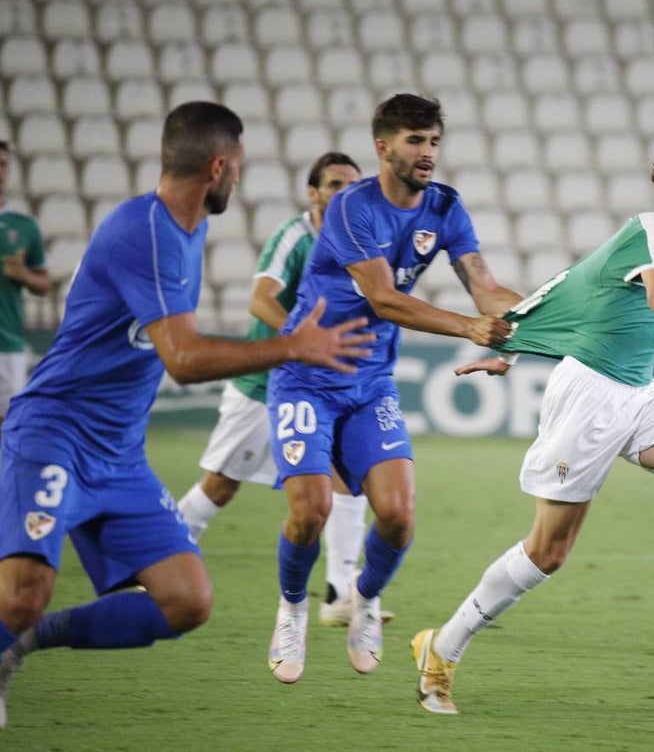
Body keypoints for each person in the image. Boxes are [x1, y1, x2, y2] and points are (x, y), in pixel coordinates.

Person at [0, 102, 374, 730]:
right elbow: (183, 358)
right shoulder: (145, 231)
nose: (240, 178)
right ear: (218, 167)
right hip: (55, 433)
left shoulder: (187, 228)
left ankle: (20, 647)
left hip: (118, 452)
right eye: (239, 166)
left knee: (187, 600)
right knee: (22, 595)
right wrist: (292, 346)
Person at [410, 137, 654, 715]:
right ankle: (443, 646)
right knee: (547, 553)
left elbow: (568, 294)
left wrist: (511, 348)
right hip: (588, 401)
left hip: (637, 395)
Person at [265, 93, 521, 684]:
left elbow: (486, 289)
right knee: (309, 511)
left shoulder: (446, 206)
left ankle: (364, 599)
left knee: (400, 516)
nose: (428, 152)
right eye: (415, 141)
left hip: (371, 383)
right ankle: (292, 608)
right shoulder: (351, 207)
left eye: (434, 141)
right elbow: (383, 298)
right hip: (306, 377)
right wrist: (469, 328)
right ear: (383, 147)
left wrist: (545, 315)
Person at [177, 152, 385, 627]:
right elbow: (260, 299)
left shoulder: (361, 240)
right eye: (334, 184)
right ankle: (156, 556)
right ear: (313, 193)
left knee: (345, 477)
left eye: (352, 185)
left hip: (325, 385)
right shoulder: (295, 235)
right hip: (266, 382)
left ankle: (339, 595)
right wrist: (301, 341)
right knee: (221, 485)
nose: (344, 194)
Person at [0, 140, 50, 433]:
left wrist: (22, 275)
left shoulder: (24, 225)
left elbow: (43, 283)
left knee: (8, 426)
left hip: (7, 343)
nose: (0, 171)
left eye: (3, 164)